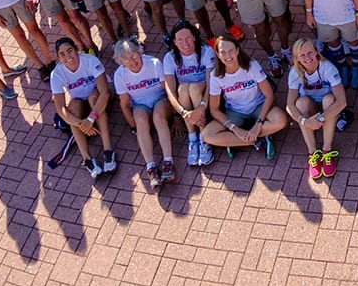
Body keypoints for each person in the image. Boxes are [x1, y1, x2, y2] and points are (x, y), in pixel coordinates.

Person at [201, 38, 288, 160]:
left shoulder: (252, 66)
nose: (228, 56)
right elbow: (214, 109)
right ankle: (257, 139)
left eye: (231, 51)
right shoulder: (215, 76)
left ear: (237, 51)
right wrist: (235, 129)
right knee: (207, 135)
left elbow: (269, 95)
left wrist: (258, 124)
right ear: (218, 54)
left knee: (281, 120)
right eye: (223, 52)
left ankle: (233, 141)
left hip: (258, 106)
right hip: (234, 112)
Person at [48, 37, 116, 179]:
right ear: (58, 58)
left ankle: (108, 150)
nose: (68, 57)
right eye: (62, 54)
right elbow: (61, 109)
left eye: (70, 51)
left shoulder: (90, 61)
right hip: (82, 107)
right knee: (73, 106)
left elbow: (105, 93)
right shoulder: (56, 74)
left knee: (93, 97)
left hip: (100, 100)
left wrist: (90, 119)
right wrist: (82, 124)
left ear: (77, 49)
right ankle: (87, 159)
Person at [112, 38, 176, 189]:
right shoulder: (119, 75)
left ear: (139, 53)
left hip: (160, 99)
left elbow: (168, 90)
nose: (132, 61)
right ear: (121, 62)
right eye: (127, 59)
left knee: (158, 117)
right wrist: (132, 125)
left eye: (134, 56)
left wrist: (176, 115)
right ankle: (151, 167)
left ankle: (168, 162)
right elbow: (124, 104)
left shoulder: (154, 63)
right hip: (140, 104)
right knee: (140, 121)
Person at [285, 38, 348, 180]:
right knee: (300, 103)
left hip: (327, 106)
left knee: (329, 100)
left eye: (310, 53)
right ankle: (312, 152)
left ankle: (326, 150)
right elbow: (289, 105)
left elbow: (342, 101)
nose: (308, 58)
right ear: (297, 58)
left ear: (316, 52)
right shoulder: (295, 72)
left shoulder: (327, 67)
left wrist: (321, 118)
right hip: (310, 106)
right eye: (302, 55)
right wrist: (303, 121)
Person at [161, 20, 215, 168]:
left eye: (188, 38)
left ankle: (204, 137)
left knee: (192, 88)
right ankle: (192, 137)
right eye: (180, 39)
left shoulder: (206, 51)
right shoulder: (169, 58)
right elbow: (170, 91)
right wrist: (183, 113)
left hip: (205, 95)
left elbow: (211, 83)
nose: (185, 43)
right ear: (174, 42)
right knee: (182, 89)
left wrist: (201, 108)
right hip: (186, 100)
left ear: (195, 37)